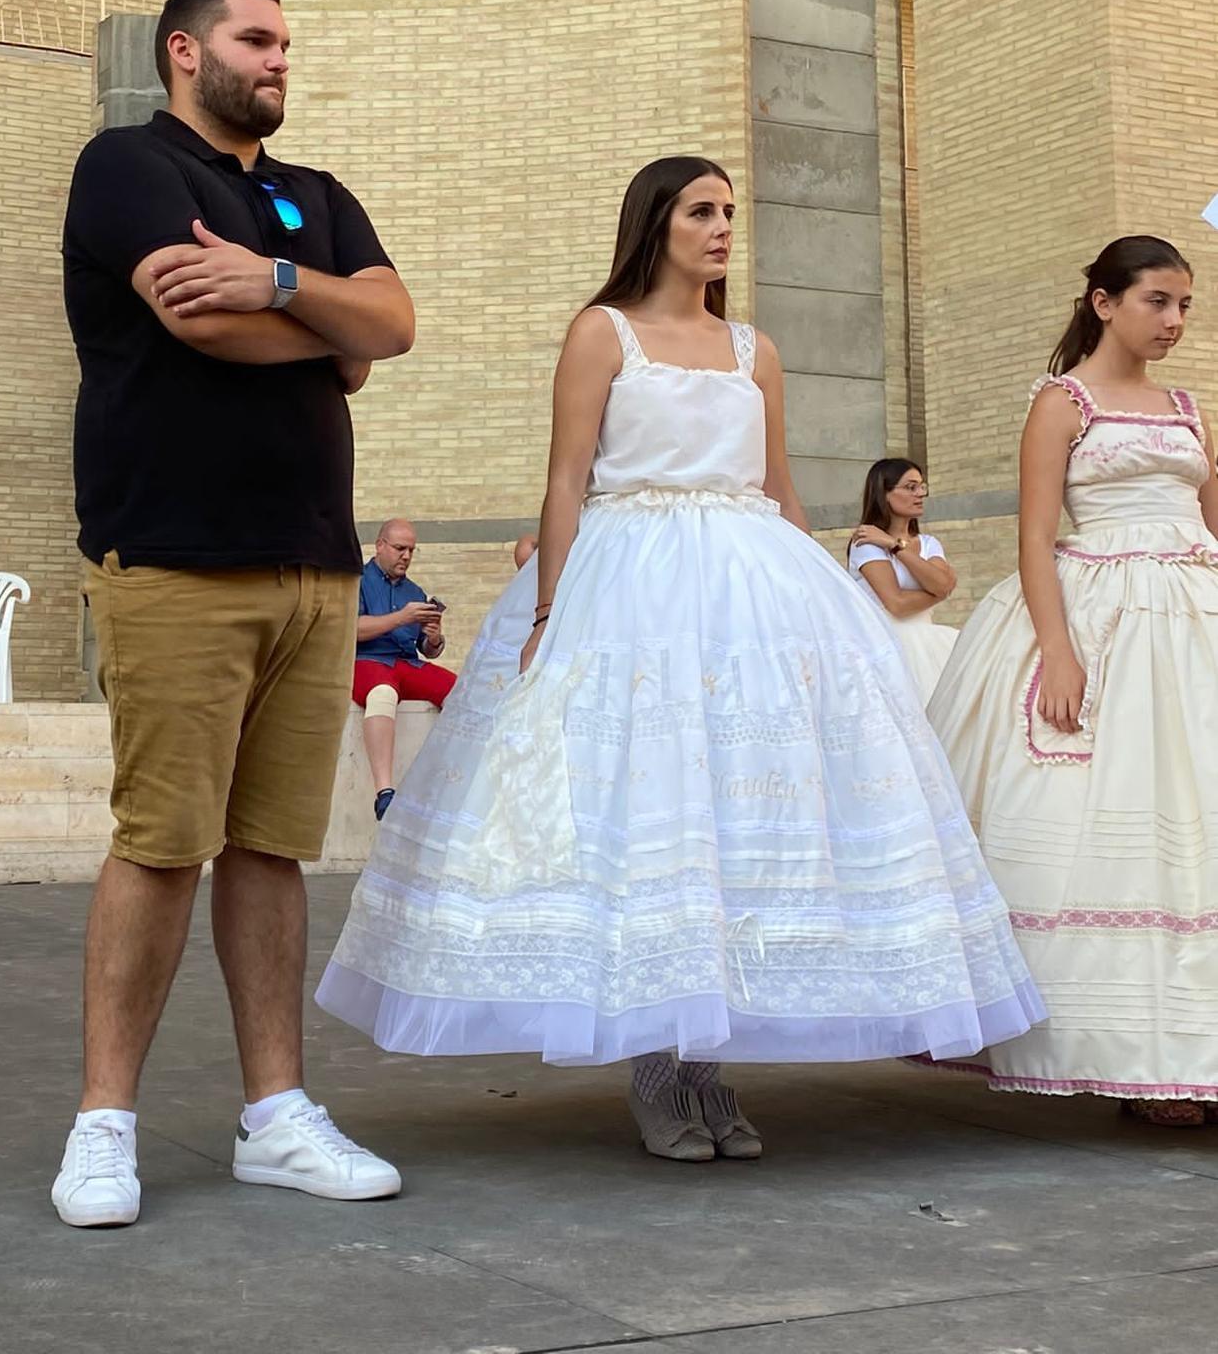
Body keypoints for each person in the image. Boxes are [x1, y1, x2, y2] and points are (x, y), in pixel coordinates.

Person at [317, 156, 1042, 1167]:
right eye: (702, 210)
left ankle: (708, 1058)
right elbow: (566, 479)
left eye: (730, 212)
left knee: (741, 823)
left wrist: (834, 614)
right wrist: (551, 609)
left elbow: (781, 488)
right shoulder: (601, 332)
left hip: (751, 584)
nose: (721, 227)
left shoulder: (755, 348)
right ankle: (657, 1062)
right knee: (646, 812)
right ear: (656, 221)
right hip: (630, 583)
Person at [54, 0, 415, 1226]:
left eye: (284, 42)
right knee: (162, 844)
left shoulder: (312, 195)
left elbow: (397, 323)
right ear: (183, 50)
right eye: (255, 38)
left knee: (271, 850)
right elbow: (192, 317)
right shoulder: (126, 165)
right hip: (175, 560)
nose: (278, 59)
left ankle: (276, 1114)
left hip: (317, 568)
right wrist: (327, 319)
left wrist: (273, 284)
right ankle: (104, 1123)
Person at [927, 236, 1218, 1123]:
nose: (1172, 321)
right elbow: (1035, 538)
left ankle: (1196, 1053)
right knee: (1104, 821)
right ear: (1103, 303)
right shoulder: (1064, 403)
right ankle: (1134, 1060)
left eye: (1183, 306)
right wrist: (1058, 649)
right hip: (1097, 612)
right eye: (1156, 302)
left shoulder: (1188, 407)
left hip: (1193, 611)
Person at [355, 518, 456, 819]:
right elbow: (351, 630)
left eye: (411, 550)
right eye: (400, 548)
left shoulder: (415, 590)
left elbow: (427, 649)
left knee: (461, 692)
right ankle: (384, 792)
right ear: (380, 545)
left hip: (406, 662)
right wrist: (401, 617)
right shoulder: (355, 580)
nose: (406, 556)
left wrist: (434, 639)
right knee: (383, 692)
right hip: (365, 661)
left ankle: (455, 786)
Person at [848, 458, 959, 702]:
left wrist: (894, 545)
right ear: (885, 493)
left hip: (929, 644)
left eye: (922, 486)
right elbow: (897, 604)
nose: (920, 493)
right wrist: (938, 593)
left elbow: (940, 585)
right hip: (885, 647)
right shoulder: (866, 541)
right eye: (910, 487)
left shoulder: (929, 543)